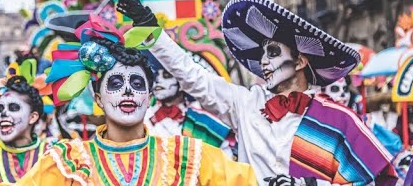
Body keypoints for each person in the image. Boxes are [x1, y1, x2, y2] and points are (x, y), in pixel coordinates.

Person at [117, 0, 396, 185]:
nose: (264, 60)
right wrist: (151, 30)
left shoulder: (338, 119)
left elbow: (367, 181)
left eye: (272, 52)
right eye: (262, 53)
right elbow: (192, 75)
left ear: (300, 60)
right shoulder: (245, 104)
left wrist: (308, 184)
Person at [20, 25, 257, 186]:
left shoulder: (187, 156)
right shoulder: (67, 162)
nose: (127, 91)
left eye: (136, 83)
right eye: (115, 83)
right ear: (99, 99)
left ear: (148, 96)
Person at [0, 62, 54, 184]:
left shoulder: (53, 153)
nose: (3, 114)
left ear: (33, 117)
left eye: (13, 107)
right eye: (0, 109)